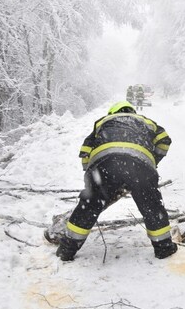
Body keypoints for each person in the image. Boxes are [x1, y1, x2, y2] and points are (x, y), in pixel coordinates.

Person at [56, 101, 176, 261]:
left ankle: (66, 249)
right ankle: (164, 248)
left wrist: (92, 177)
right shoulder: (144, 121)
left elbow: (85, 150)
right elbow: (164, 139)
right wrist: (152, 160)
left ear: (113, 112)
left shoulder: (103, 122)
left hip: (104, 164)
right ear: (132, 111)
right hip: (138, 165)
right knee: (151, 205)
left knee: (89, 205)